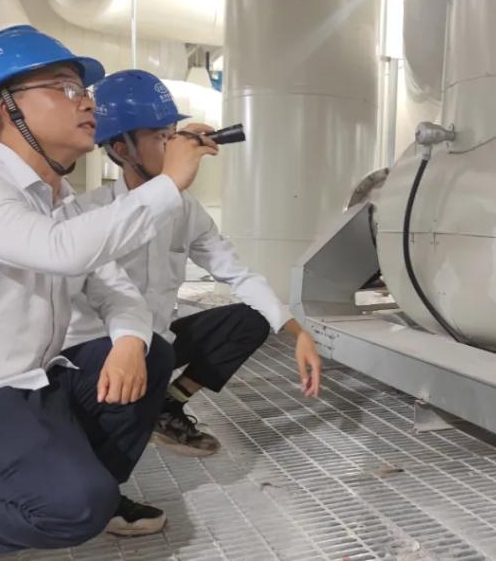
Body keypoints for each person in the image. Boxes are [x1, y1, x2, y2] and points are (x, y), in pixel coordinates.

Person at [0, 25, 217, 560]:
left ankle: (94, 491)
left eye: (83, 90)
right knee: (74, 507)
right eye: (65, 88)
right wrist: (167, 184)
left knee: (152, 352)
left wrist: (130, 341)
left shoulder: (59, 202)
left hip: (30, 387)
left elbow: (118, 292)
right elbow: (60, 251)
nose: (86, 102)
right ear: (8, 106)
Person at [65, 69, 323, 457]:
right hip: (101, 352)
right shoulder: (90, 213)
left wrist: (297, 332)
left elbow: (238, 273)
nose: (173, 147)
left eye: (173, 134)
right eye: (160, 138)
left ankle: (167, 405)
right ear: (121, 149)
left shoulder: (186, 211)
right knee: (95, 457)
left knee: (249, 319)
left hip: (157, 347)